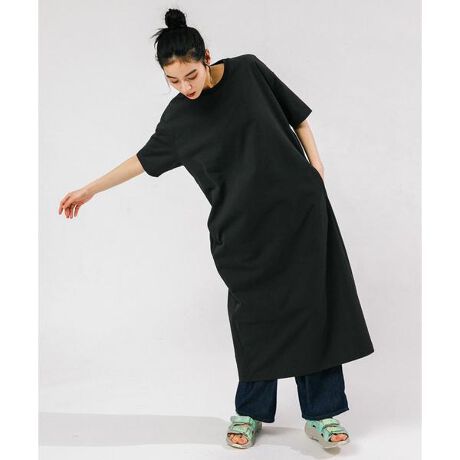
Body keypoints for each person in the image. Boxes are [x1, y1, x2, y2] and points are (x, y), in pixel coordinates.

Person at [58, 8, 374, 450]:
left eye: (191, 74)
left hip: (299, 214)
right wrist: (89, 189)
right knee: (254, 319)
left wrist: (315, 167)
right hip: (241, 230)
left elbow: (297, 117)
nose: (185, 87)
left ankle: (321, 413)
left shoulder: (249, 71)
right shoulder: (178, 120)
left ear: (206, 57)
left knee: (312, 307)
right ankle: (250, 412)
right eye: (173, 81)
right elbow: (141, 161)